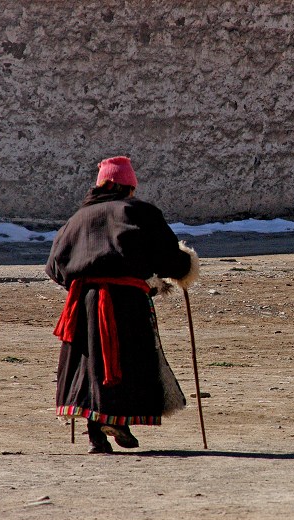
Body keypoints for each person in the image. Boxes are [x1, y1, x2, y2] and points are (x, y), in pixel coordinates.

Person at [46, 156, 199, 453]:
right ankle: (116, 422)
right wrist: (185, 264)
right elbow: (167, 257)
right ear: (129, 187)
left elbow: (55, 267)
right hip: (126, 302)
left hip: (83, 303)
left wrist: (84, 283)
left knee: (90, 362)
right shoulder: (138, 211)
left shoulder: (76, 219)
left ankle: (97, 435)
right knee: (124, 360)